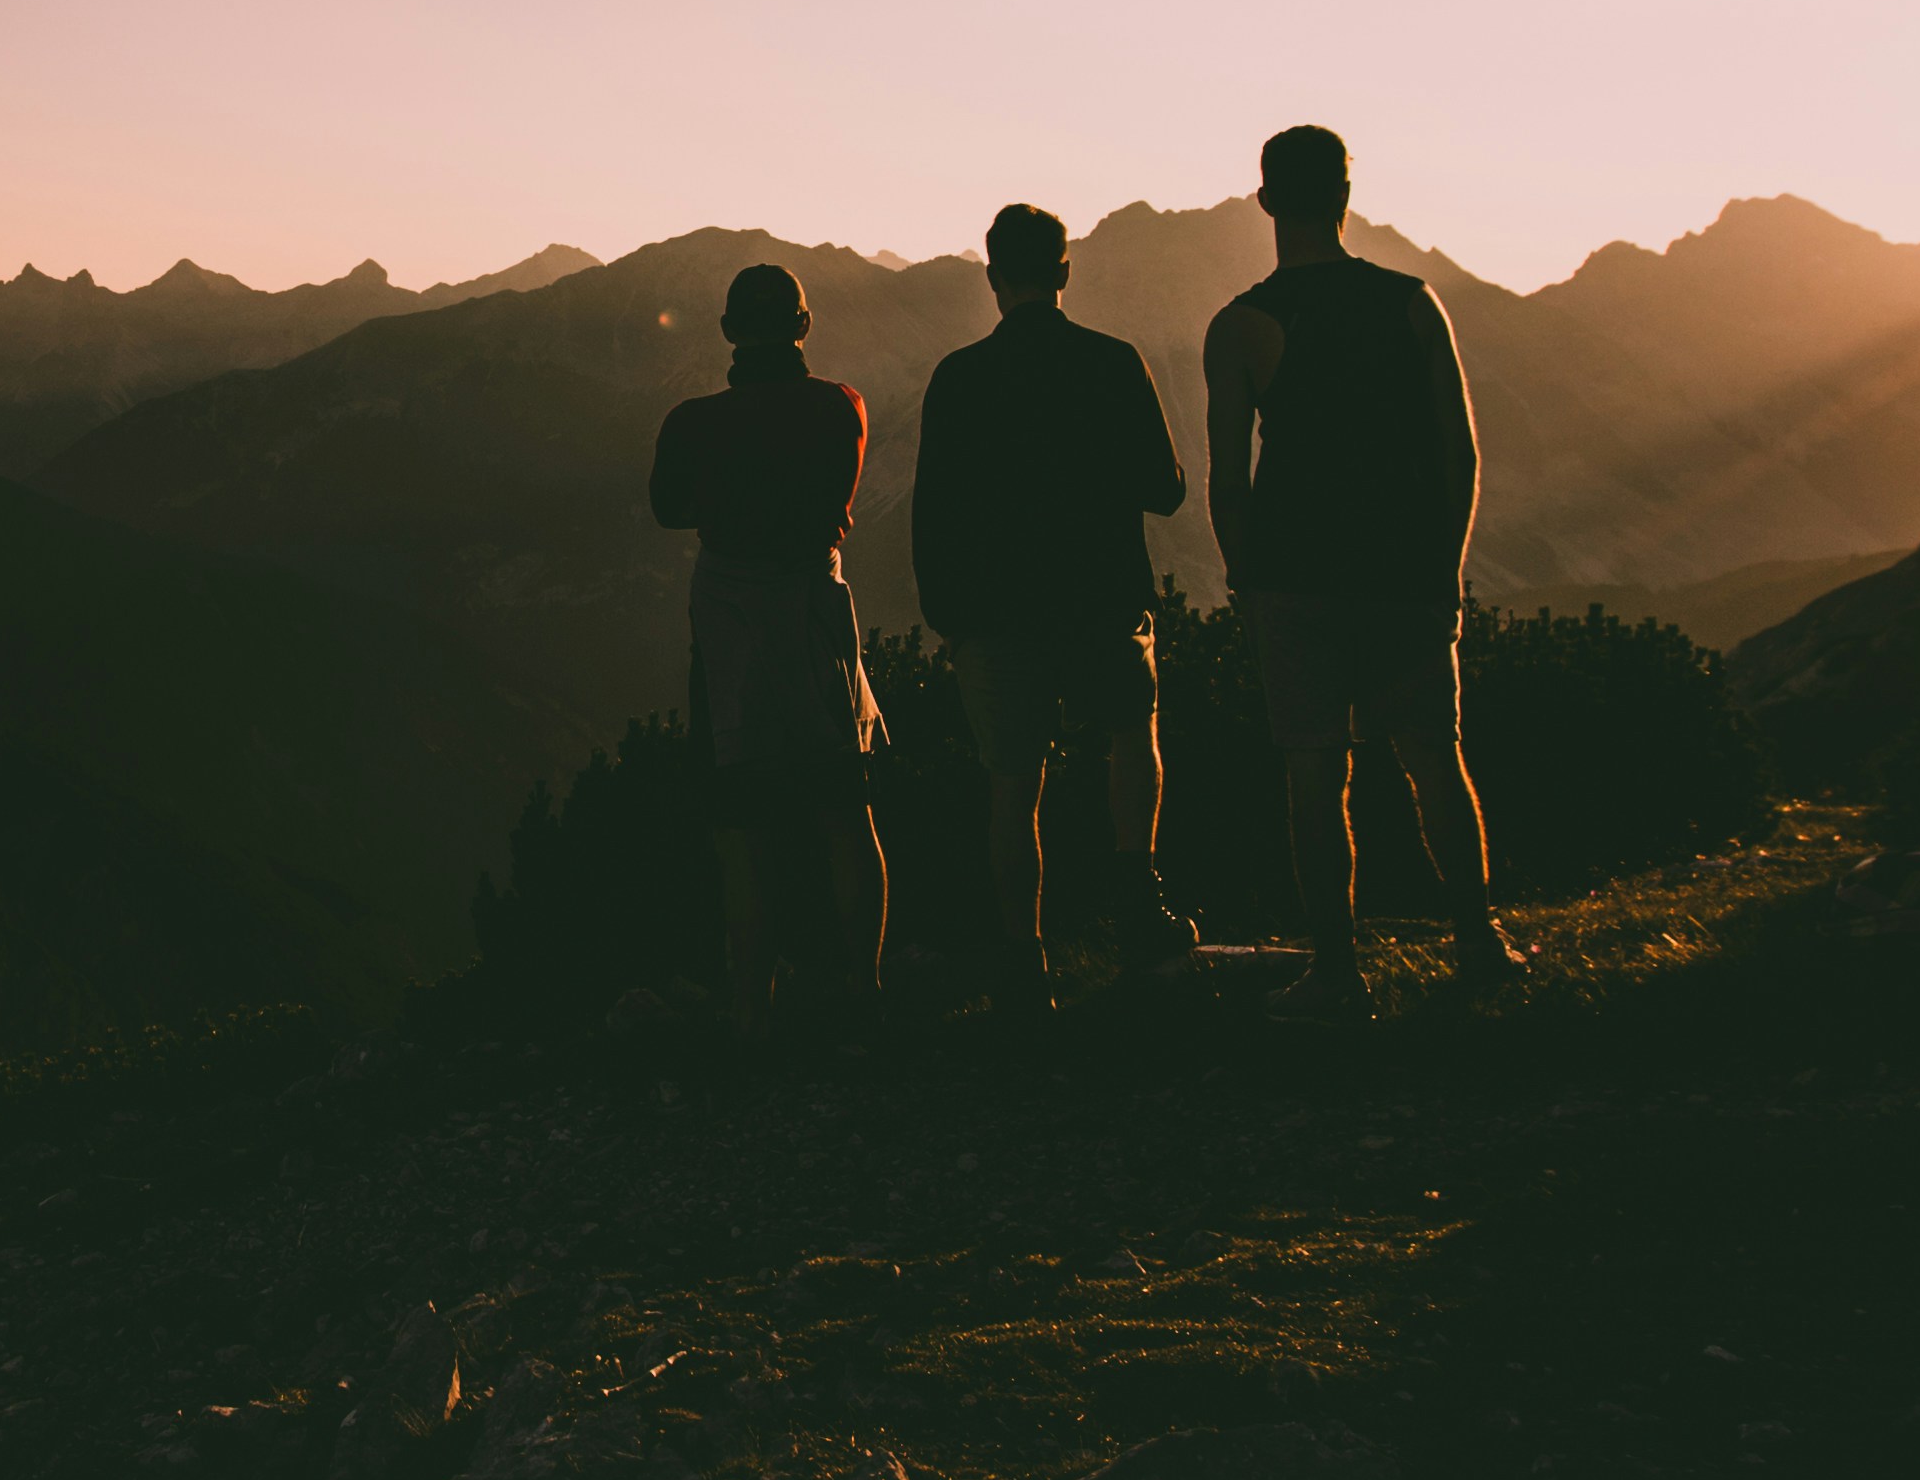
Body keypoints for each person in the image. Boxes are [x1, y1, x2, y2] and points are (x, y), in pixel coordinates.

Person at [1202, 126, 1524, 1023]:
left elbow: (1230, 480)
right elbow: (1458, 451)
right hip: (1402, 570)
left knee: (1314, 771)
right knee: (1434, 758)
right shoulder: (1414, 303)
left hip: (1293, 579)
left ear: (1265, 201)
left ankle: (1337, 973)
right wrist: (1445, 570)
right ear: (1347, 196)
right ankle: (1479, 939)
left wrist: (1243, 582)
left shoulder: (1241, 326)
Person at [907, 201, 1198, 1005]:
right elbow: (1167, 491)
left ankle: (1021, 955)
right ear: (1065, 272)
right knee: (1131, 742)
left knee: (1012, 783)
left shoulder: (960, 378)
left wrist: (951, 618)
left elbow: (932, 513)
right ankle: (1140, 910)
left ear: (993, 277)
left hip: (997, 618)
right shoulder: (1113, 362)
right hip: (1102, 602)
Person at [650, 260, 889, 1035]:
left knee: (741, 827)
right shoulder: (839, 408)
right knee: (847, 815)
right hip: (817, 623)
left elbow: (669, 509)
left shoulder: (692, 424)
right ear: (803, 326)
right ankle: (864, 993)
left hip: (731, 633)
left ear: (726, 332)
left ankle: (753, 1009)